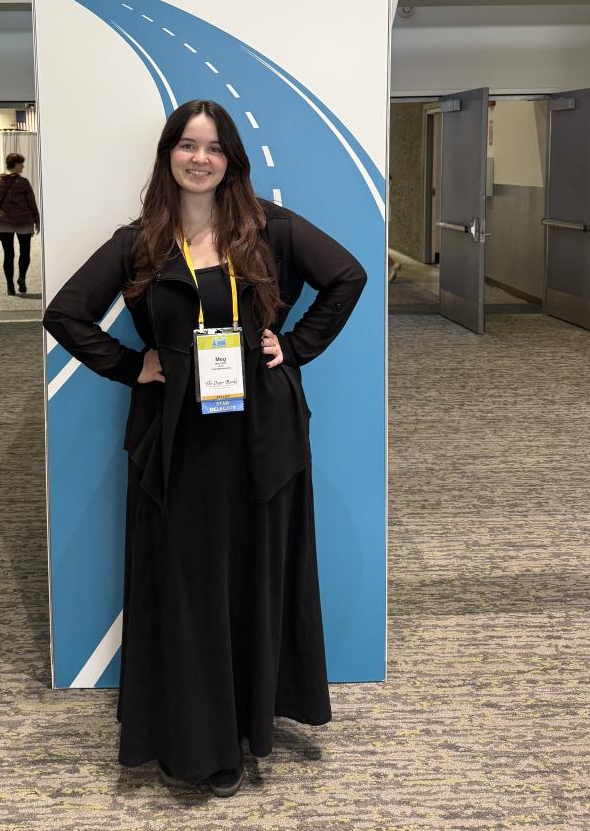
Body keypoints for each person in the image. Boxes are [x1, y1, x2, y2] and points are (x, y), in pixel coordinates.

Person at [43, 99, 367, 796]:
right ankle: (200, 744)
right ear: (167, 156)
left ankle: (252, 726)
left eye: (214, 147)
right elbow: (63, 313)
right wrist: (133, 367)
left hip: (261, 442)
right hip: (179, 445)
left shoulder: (269, 229)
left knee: (251, 578)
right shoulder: (141, 242)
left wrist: (297, 345)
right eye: (187, 145)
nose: (200, 158)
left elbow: (349, 277)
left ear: (232, 161)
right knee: (190, 591)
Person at [0, 153, 40, 295]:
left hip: (4, 222)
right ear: (15, 164)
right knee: (25, 252)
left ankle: (10, 286)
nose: (23, 165)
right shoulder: (23, 182)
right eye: (21, 163)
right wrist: (37, 221)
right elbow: (32, 203)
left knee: (8, 254)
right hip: (24, 221)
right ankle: (22, 277)